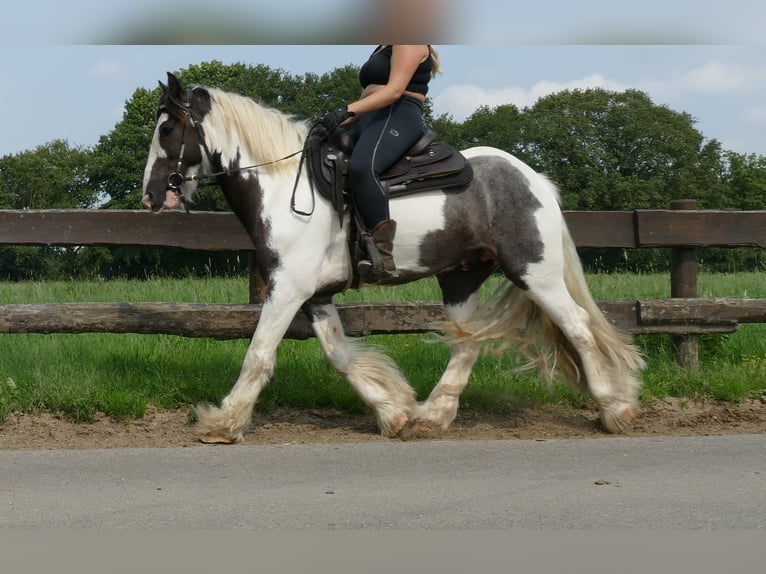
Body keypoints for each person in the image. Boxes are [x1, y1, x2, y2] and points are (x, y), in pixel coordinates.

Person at [317, 44, 442, 281]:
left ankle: (381, 255)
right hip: (372, 118)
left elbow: (394, 91)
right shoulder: (383, 45)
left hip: (398, 114)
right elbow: (371, 98)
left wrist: (344, 110)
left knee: (363, 167)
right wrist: (330, 122)